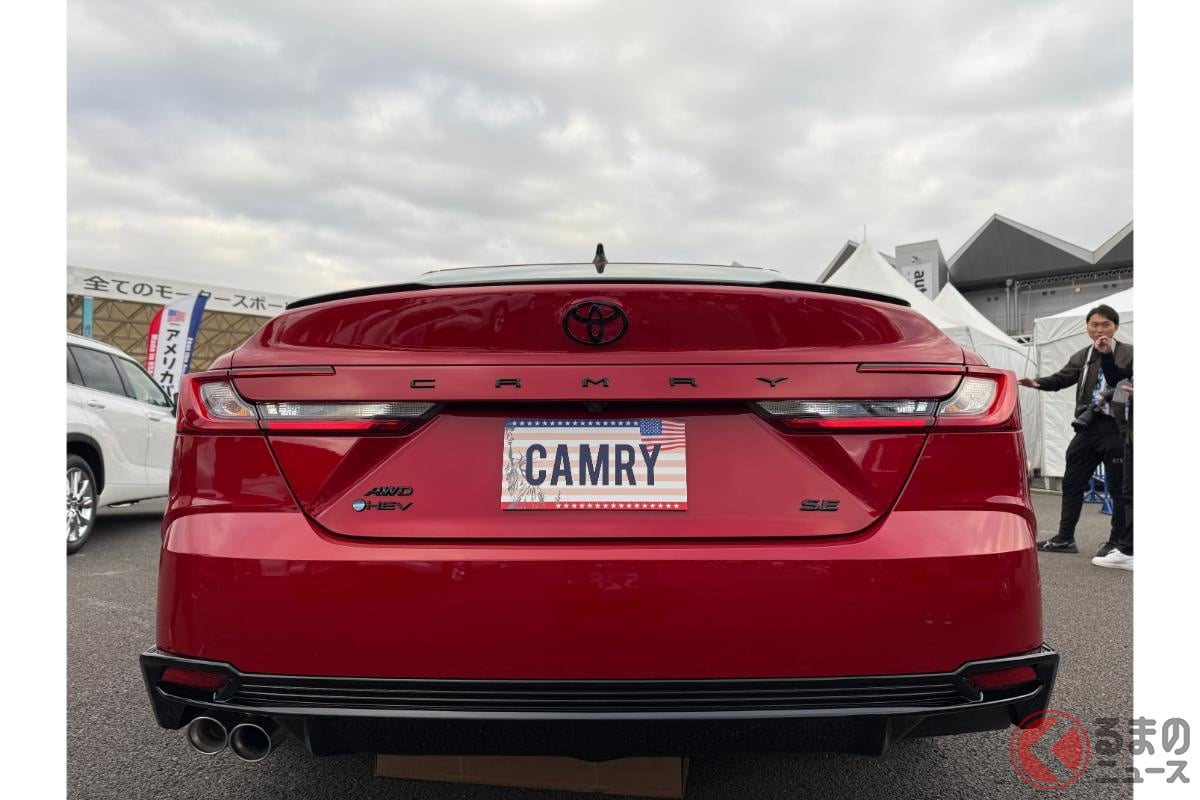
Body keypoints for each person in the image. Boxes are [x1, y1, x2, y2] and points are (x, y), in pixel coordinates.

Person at [1018, 304, 1132, 555]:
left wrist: (1108, 356)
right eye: (1094, 325)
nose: (1099, 330)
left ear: (1115, 327)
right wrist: (1036, 382)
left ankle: (1117, 542)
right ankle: (1065, 538)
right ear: (1087, 327)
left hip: (1117, 427)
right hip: (1087, 426)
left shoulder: (1129, 352)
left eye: (1105, 325)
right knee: (1072, 482)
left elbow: (1123, 381)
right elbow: (1062, 378)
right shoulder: (1084, 355)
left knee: (1119, 489)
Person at [1092, 340, 1133, 570]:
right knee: (1128, 493)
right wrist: (1107, 355)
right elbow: (1120, 380)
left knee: (1129, 493)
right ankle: (1127, 547)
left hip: (1122, 433)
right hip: (1129, 433)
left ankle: (1127, 549)